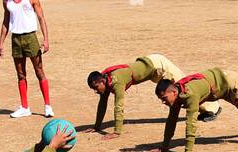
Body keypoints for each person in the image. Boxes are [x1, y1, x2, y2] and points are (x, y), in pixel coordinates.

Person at [87, 56, 219, 139]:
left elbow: (118, 105)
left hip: (159, 66)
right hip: (152, 67)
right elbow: (102, 104)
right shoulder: (105, 80)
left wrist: (116, 132)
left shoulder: (116, 80)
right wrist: (97, 126)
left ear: (101, 82)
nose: (96, 91)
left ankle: (213, 109)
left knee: (185, 90)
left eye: (95, 88)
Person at [155, 68, 238, 152]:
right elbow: (171, 121)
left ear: (173, 92)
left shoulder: (190, 94)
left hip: (231, 83)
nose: (163, 102)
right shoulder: (177, 95)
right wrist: (164, 147)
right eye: (161, 99)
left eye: (164, 98)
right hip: (221, 88)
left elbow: (191, 123)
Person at [0, 0, 52, 119]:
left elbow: (41, 19)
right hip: (16, 39)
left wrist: (46, 39)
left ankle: (47, 106)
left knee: (39, 71)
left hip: (30, 38)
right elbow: (5, 22)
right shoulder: (6, 0)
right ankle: (24, 107)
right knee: (21, 74)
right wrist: (1, 43)